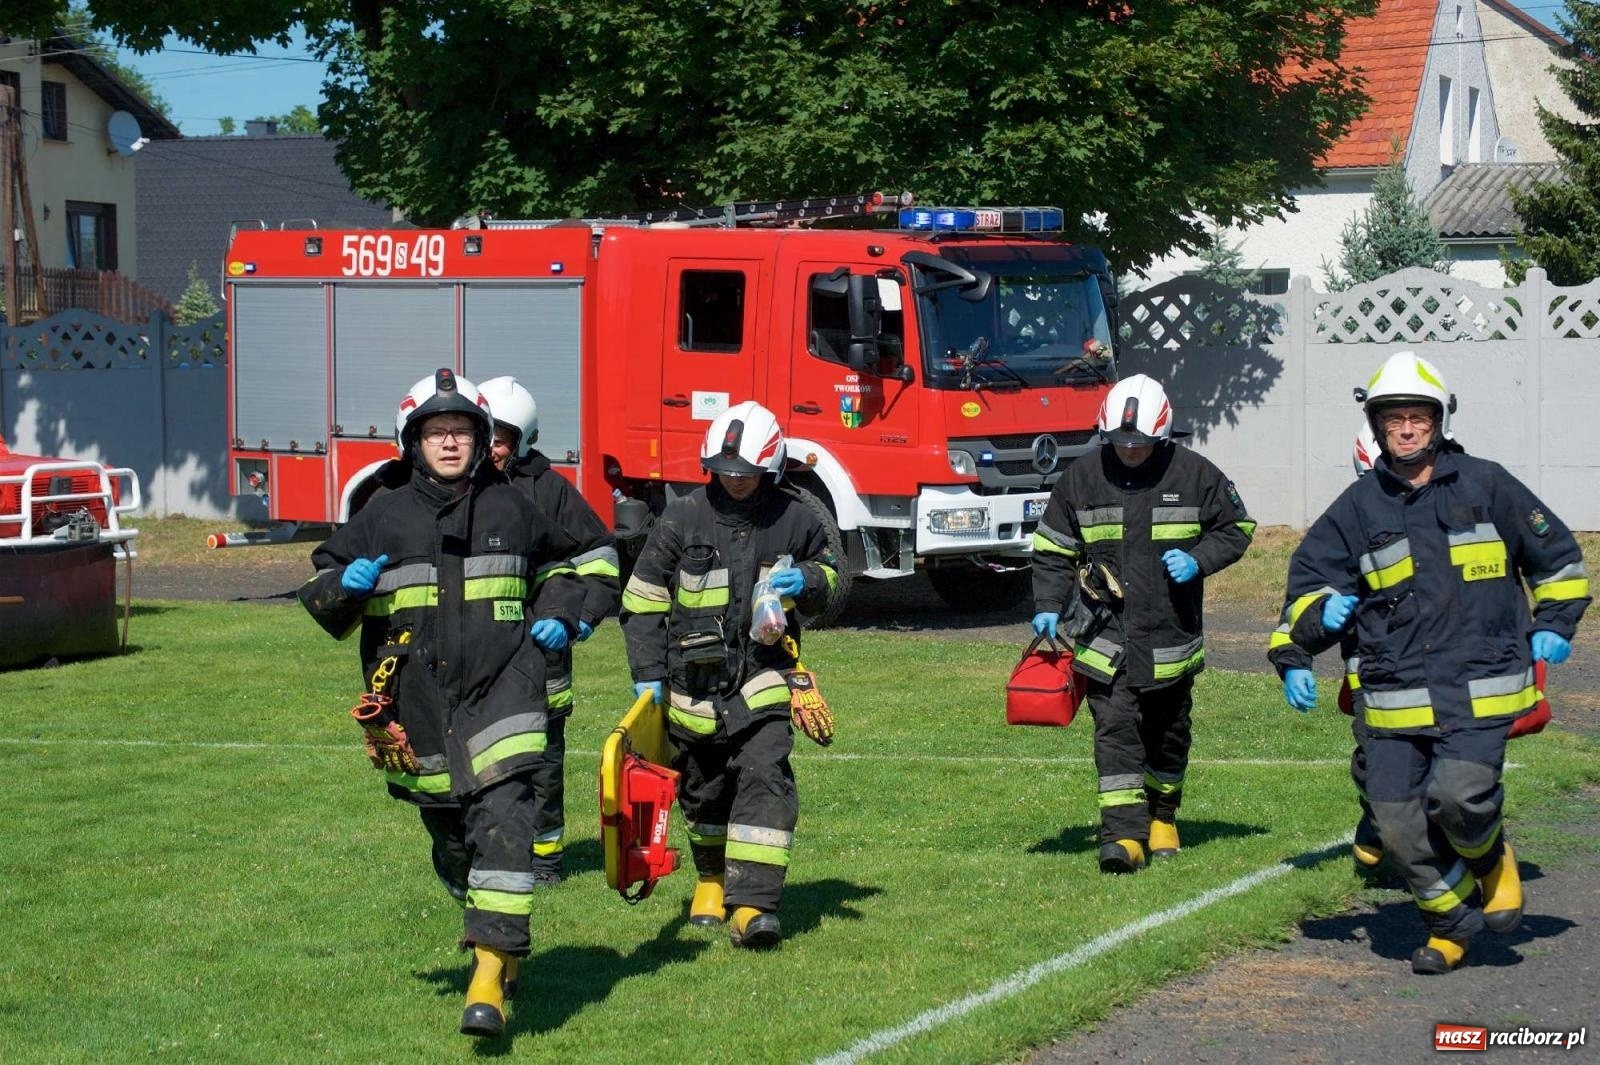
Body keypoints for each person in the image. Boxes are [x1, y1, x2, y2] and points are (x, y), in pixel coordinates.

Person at [1269, 351, 1589, 974]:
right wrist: (1307, 636)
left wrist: (1553, 623)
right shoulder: (1357, 507)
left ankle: (1492, 860)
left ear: (1439, 420)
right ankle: (1450, 920)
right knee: (1393, 823)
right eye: (1396, 420)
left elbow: (1559, 560)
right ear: (1378, 427)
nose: (1408, 429)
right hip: (1393, 695)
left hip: (1481, 685)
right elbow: (1304, 586)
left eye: (1418, 417)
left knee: (1459, 798)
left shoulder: (1488, 483)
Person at [299, 369, 586, 1037]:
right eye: (436, 431)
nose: (450, 442)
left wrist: (563, 612)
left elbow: (573, 565)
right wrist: (345, 582)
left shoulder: (514, 506)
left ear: (482, 437)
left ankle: (488, 977)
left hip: (506, 692)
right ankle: (489, 924)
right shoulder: (381, 512)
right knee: (454, 840)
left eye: (460, 430)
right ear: (414, 441)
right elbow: (319, 596)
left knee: (506, 820)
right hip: (418, 705)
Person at [619, 400, 840, 948]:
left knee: (766, 775)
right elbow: (643, 598)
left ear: (772, 469)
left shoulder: (798, 517)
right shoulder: (683, 516)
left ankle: (755, 907)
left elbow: (839, 583)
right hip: (689, 688)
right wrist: (647, 674)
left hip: (763, 678)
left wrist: (809, 581)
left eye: (746, 474)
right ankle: (712, 881)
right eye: (726, 472)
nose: (736, 482)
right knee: (702, 791)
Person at [1031, 373, 1254, 873]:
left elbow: (1237, 528)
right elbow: (1052, 550)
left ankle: (1163, 815)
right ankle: (1123, 838)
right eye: (1120, 440)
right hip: (1103, 636)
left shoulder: (1195, 474)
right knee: (1115, 730)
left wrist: (1199, 559)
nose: (1130, 449)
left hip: (1170, 636)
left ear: (1162, 433)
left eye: (1140, 441)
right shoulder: (1081, 479)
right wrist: (1048, 602)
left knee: (1169, 732)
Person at [479, 375, 620, 885]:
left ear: (522, 440)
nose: (491, 447)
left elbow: (601, 558)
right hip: (479, 654)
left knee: (542, 762)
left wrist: (581, 618)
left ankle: (545, 860)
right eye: (485, 434)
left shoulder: (550, 491)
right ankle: (491, 853)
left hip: (541, 654)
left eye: (501, 438)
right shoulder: (458, 489)